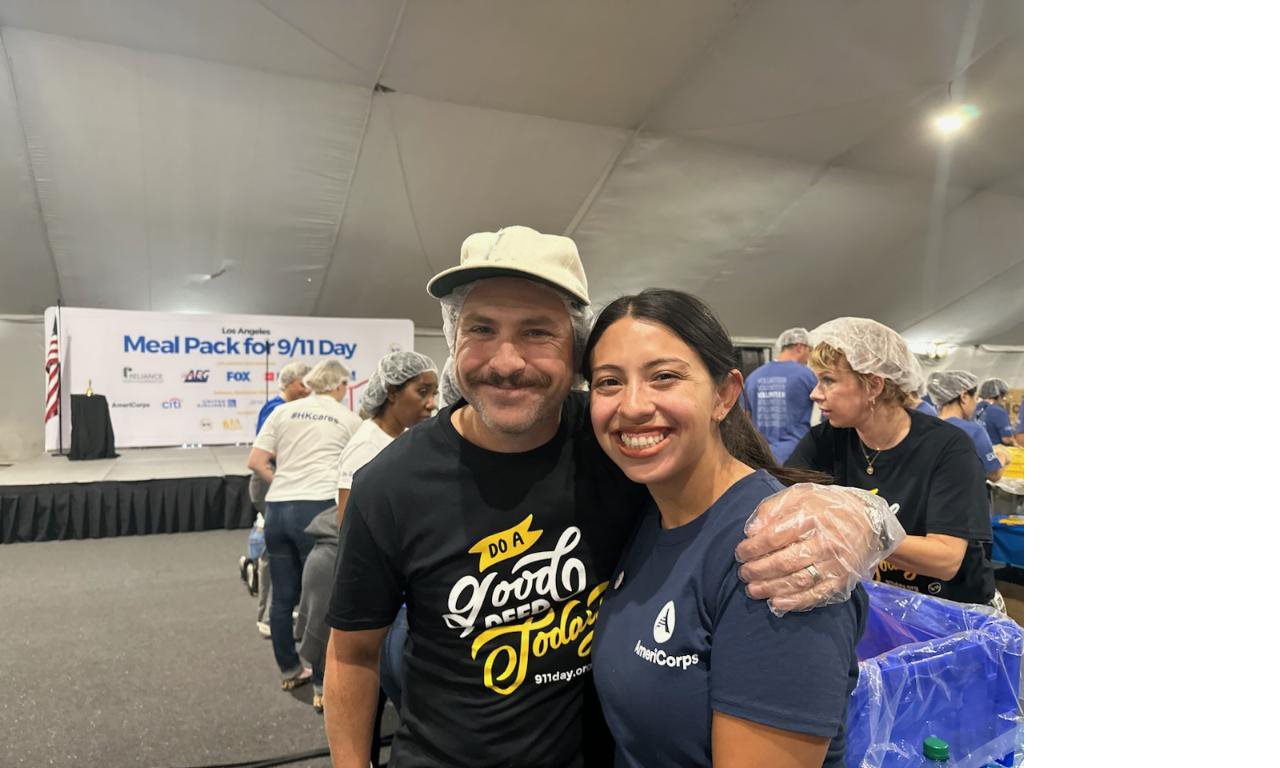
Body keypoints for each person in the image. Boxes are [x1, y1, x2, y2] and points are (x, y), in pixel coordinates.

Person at [324, 226, 900, 768]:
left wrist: (855, 517)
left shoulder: (611, 448)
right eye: (480, 329)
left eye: (535, 332)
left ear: (571, 353)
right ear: (453, 341)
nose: (505, 361)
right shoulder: (390, 484)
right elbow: (352, 653)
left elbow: (720, 473)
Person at [587, 289, 867, 768]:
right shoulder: (650, 509)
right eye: (609, 381)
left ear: (724, 395)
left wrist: (865, 518)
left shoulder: (779, 555)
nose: (632, 405)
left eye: (664, 377)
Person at [786, 318, 997, 606]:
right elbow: (785, 505)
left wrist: (863, 531)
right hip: (876, 606)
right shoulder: (824, 441)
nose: (815, 393)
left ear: (873, 385)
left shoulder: (947, 448)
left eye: (828, 380)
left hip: (947, 614)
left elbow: (946, 559)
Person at [296, 352, 438, 714]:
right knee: (368, 684)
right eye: (422, 392)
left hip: (398, 580)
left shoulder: (400, 440)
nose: (431, 403)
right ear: (391, 392)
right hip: (377, 585)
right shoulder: (366, 448)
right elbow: (351, 526)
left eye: (434, 392)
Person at [249, 359, 362, 690]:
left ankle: (290, 670)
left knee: (284, 597)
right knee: (322, 599)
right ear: (339, 386)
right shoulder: (348, 418)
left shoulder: (282, 412)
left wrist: (283, 481)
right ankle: (321, 683)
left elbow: (256, 461)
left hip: (278, 508)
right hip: (317, 510)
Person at [242, 361, 312, 637]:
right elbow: (264, 458)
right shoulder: (276, 409)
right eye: (303, 383)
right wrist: (285, 481)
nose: (308, 389)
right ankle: (267, 615)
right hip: (270, 485)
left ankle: (284, 606)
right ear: (291, 383)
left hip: (281, 485)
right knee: (276, 550)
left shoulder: (285, 407)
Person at [741, 328, 819, 463]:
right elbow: (828, 409)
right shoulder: (807, 375)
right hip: (798, 455)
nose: (809, 357)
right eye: (809, 351)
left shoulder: (753, 377)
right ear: (800, 347)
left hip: (762, 455)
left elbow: (744, 418)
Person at [928, 370, 1005, 482]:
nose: (976, 405)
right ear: (964, 396)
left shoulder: (927, 426)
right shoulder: (974, 431)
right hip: (964, 498)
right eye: (975, 399)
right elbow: (994, 475)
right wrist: (1003, 456)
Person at [975, 378, 1016, 448]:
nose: (1004, 399)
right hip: (994, 453)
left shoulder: (973, 408)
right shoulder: (999, 412)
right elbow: (1007, 439)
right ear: (999, 395)